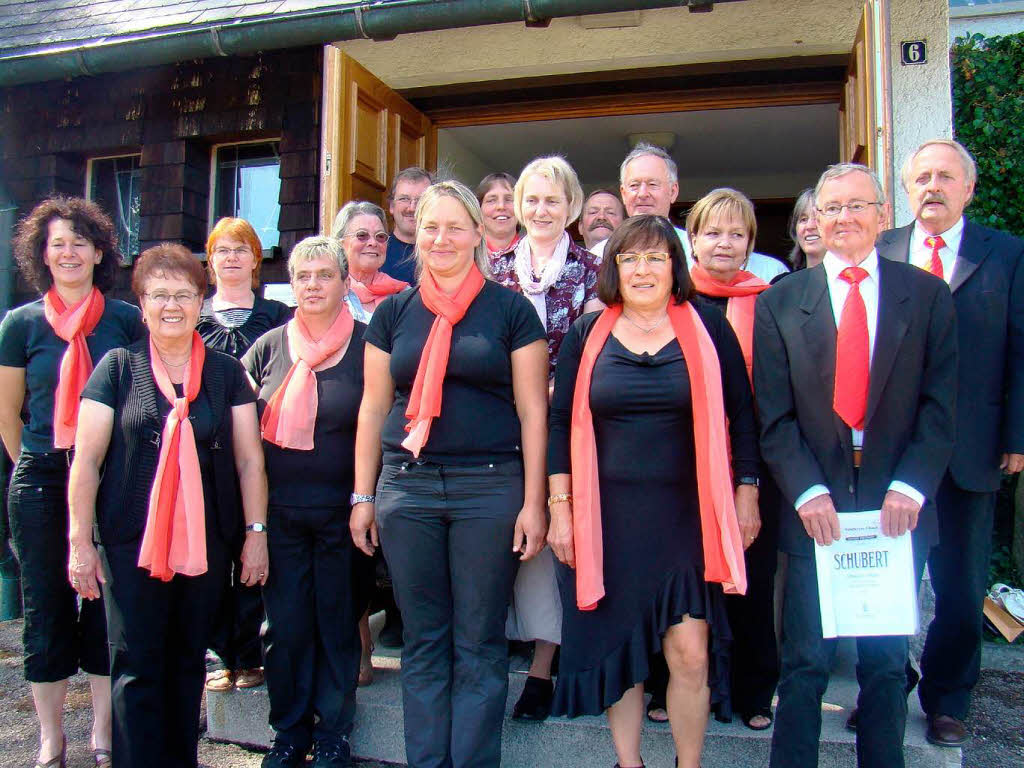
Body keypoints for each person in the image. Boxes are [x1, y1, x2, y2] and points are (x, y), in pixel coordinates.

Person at [754, 163, 957, 768]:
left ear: (881, 215)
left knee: (887, 665)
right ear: (815, 220)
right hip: (815, 505)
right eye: (831, 208)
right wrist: (807, 491)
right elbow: (773, 413)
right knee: (805, 662)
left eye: (856, 206)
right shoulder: (783, 301)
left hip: (897, 506)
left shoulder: (924, 295)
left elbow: (941, 406)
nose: (843, 218)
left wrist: (910, 487)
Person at [350, 180, 549, 768]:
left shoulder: (511, 310)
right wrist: (363, 494)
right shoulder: (393, 313)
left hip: (489, 489)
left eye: (455, 227)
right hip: (407, 488)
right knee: (425, 639)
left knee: (480, 640)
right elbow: (371, 406)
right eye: (430, 227)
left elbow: (534, 410)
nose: (441, 238)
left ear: (479, 234)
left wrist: (535, 501)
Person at [549, 214, 758, 768]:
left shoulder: (710, 328)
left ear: (675, 266)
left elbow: (742, 417)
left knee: (690, 654)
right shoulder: (584, 335)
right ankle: (629, 762)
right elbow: (556, 423)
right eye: (629, 258)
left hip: (689, 519)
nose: (642, 269)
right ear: (614, 267)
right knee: (622, 654)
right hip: (608, 522)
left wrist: (747, 491)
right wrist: (560, 509)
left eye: (655, 257)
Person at [67, 243, 269, 768]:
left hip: (207, 543)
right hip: (130, 542)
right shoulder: (115, 368)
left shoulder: (226, 374)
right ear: (141, 304)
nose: (172, 305)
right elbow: (85, 462)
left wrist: (255, 533)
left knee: (185, 664)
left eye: (183, 294)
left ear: (201, 302)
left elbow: (250, 461)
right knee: (136, 667)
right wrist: (79, 542)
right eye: (159, 295)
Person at [876, 138, 1024, 747]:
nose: (932, 186)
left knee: (962, 593)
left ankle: (947, 699)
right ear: (908, 190)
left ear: (969, 187)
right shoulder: (882, 249)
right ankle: (886, 690)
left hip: (971, 449)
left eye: (945, 177)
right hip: (890, 453)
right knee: (888, 586)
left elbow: (1020, 346)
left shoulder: (1008, 253)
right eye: (922, 177)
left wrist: (1016, 433)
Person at [0, 196, 144, 768]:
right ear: (42, 253)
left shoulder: (124, 319)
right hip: (39, 476)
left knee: (106, 605)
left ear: (100, 251)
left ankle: (102, 733)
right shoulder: (21, 324)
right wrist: (42, 464)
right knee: (47, 606)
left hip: (112, 477)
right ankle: (50, 736)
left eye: (80, 242)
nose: (68, 252)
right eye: (57, 242)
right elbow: (9, 413)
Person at [244, 236, 366, 768]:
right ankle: (290, 733)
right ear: (291, 285)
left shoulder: (369, 344)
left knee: (338, 624)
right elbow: (239, 432)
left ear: (344, 282)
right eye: (303, 277)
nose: (313, 285)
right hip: (280, 515)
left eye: (324, 275)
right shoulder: (269, 346)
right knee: (286, 629)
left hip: (345, 514)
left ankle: (335, 734)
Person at [488, 156, 602, 721]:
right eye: (531, 199)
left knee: (557, 539)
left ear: (572, 208)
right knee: (502, 536)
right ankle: (490, 652)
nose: (540, 210)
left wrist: (553, 388)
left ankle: (542, 667)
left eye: (553, 200)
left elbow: (594, 347)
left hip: (564, 422)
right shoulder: (491, 267)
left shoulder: (590, 271)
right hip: (495, 425)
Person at [686, 188, 778, 731]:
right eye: (712, 232)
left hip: (753, 459)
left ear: (749, 244)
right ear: (692, 238)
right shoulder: (672, 299)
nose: (724, 243)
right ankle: (674, 684)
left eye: (736, 233)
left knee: (752, 579)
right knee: (684, 582)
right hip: (683, 464)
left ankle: (753, 690)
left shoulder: (772, 302)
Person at [198, 216, 291, 695]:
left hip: (262, 451)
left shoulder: (277, 315)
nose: (231, 257)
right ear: (210, 262)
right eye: (222, 250)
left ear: (256, 260)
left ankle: (252, 653)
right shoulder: (193, 316)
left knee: (257, 547)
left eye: (241, 249)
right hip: (207, 452)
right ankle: (219, 653)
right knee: (215, 551)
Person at [590, 143, 790, 283]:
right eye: (634, 185)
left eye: (652, 184)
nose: (643, 194)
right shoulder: (598, 255)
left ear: (673, 191)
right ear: (623, 194)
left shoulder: (699, 250)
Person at [331, 201, 408, 323]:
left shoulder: (405, 296)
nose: (373, 242)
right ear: (341, 244)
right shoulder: (330, 294)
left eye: (380, 236)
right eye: (362, 235)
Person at [382, 167, 434, 285]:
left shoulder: (442, 251)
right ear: (391, 206)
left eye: (421, 200)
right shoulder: (377, 251)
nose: (412, 208)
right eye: (404, 199)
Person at [477, 172, 521, 255]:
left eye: (509, 199)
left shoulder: (536, 255)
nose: (501, 206)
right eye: (491, 200)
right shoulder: (465, 255)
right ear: (479, 208)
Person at [787, 189, 826, 271]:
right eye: (803, 219)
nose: (809, 226)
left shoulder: (852, 281)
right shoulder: (783, 282)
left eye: (817, 218)